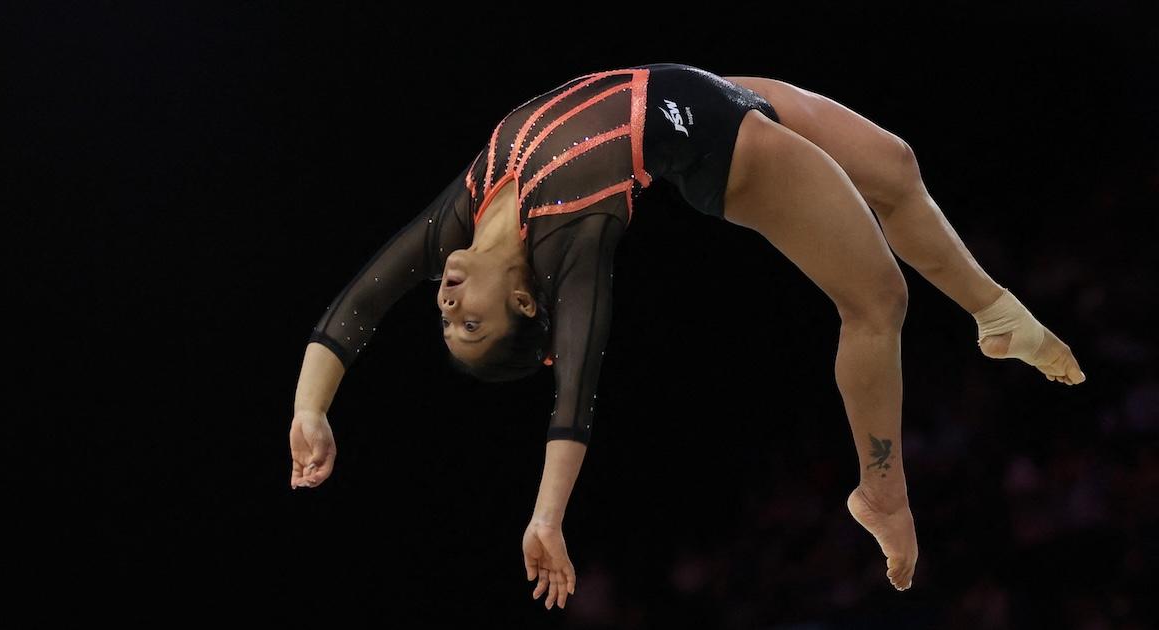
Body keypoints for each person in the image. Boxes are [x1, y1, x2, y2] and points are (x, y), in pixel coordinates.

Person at [288, 62, 1087, 608]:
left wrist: (310, 410)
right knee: (878, 301)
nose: (447, 302)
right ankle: (883, 494)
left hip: (699, 87)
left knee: (895, 168)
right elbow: (575, 390)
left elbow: (358, 304)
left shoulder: (459, 215)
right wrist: (546, 516)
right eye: (471, 324)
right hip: (722, 150)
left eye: (447, 319)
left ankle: (995, 316)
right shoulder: (572, 239)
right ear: (527, 304)